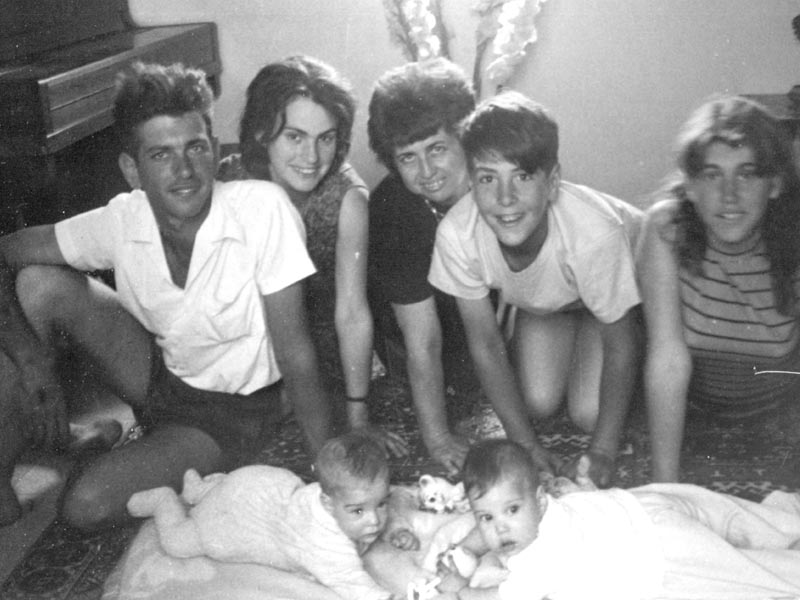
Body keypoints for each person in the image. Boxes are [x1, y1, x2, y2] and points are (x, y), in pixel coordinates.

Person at [0, 61, 331, 530]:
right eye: (160, 155)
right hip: (162, 374)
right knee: (39, 284)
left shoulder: (262, 210)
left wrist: (328, 467)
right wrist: (32, 361)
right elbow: (7, 252)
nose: (184, 171)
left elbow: (296, 354)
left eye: (195, 147)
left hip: (233, 410)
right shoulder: (123, 217)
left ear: (213, 149)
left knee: (84, 506)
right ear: (131, 169)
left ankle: (140, 450)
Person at [428, 91, 643, 486]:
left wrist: (602, 451)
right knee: (537, 402)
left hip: (621, 296)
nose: (505, 198)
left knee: (590, 414)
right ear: (471, 183)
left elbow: (620, 342)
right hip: (555, 303)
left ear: (553, 182)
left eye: (523, 176)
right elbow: (485, 344)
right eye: (488, 178)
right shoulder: (457, 234)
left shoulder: (594, 233)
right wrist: (524, 444)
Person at [218, 55, 407, 458]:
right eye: (295, 137)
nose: (312, 157)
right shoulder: (231, 179)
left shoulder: (347, 199)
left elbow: (352, 312)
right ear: (261, 133)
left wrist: (358, 417)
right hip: (250, 344)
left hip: (321, 351)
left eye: (326, 138)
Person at [639, 96, 800, 483]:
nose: (729, 195)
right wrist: (665, 486)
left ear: (775, 184)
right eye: (712, 175)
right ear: (691, 185)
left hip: (779, 408)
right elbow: (667, 360)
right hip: (697, 406)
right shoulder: (667, 228)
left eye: (747, 174)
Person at [434, 438, 800, 600]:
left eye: (511, 510)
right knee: (732, 515)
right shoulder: (541, 508)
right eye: (485, 517)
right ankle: (784, 525)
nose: (499, 527)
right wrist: (466, 548)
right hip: (641, 506)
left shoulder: (540, 561)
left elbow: (502, 597)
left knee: (751, 577)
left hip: (660, 555)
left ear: (540, 500)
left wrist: (459, 592)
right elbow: (495, 522)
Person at [366, 57, 483, 475]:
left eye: (437, 148)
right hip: (422, 329)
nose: (427, 171)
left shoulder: (494, 178)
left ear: (464, 139)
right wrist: (437, 438)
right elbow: (422, 340)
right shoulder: (394, 208)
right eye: (408, 158)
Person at [127, 431, 394, 600]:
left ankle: (199, 490)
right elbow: (357, 587)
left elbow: (376, 511)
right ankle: (164, 501)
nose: (374, 520)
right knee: (178, 543)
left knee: (227, 490)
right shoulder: (323, 542)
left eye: (381, 504)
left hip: (258, 482)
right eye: (359, 510)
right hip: (237, 517)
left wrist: (398, 530)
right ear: (328, 503)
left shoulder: (330, 495)